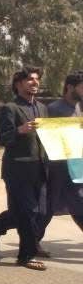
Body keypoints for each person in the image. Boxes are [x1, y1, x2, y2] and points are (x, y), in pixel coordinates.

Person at [0, 66, 51, 270]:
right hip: (18, 170)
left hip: (40, 167)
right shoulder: (10, 108)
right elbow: (2, 138)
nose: (35, 82)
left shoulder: (42, 108)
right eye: (30, 79)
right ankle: (26, 256)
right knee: (29, 211)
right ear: (18, 84)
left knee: (38, 211)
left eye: (37, 79)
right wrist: (20, 130)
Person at [43, 72, 83, 233]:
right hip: (58, 168)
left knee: (77, 204)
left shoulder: (78, 107)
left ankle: (32, 243)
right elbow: (50, 140)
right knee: (46, 208)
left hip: (76, 167)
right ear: (70, 87)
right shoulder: (54, 109)